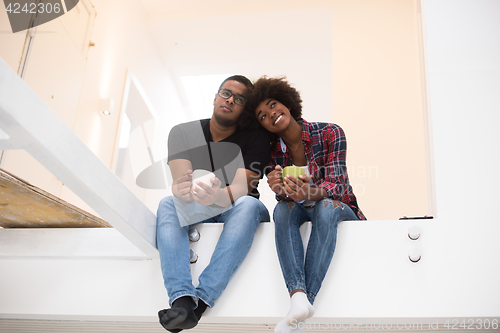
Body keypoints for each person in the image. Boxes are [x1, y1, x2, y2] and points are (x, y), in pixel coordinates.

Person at [242, 76, 366, 333]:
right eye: (263, 116)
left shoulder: (330, 132)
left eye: (274, 105)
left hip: (340, 209)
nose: (271, 114)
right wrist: (279, 189)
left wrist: (312, 191)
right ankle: (297, 298)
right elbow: (288, 199)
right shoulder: (273, 151)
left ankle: (303, 303)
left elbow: (339, 187)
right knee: (280, 209)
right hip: (300, 210)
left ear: (287, 103)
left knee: (325, 206)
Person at [156, 75, 271, 332]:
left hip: (238, 207)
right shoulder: (182, 132)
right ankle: (182, 299)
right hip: (198, 207)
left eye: (239, 99)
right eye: (226, 92)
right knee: (166, 203)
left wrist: (216, 195)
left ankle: (201, 303)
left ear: (245, 111)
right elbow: (179, 185)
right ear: (215, 96)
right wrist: (182, 190)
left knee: (249, 206)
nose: (230, 99)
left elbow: (243, 189)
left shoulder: (256, 139)